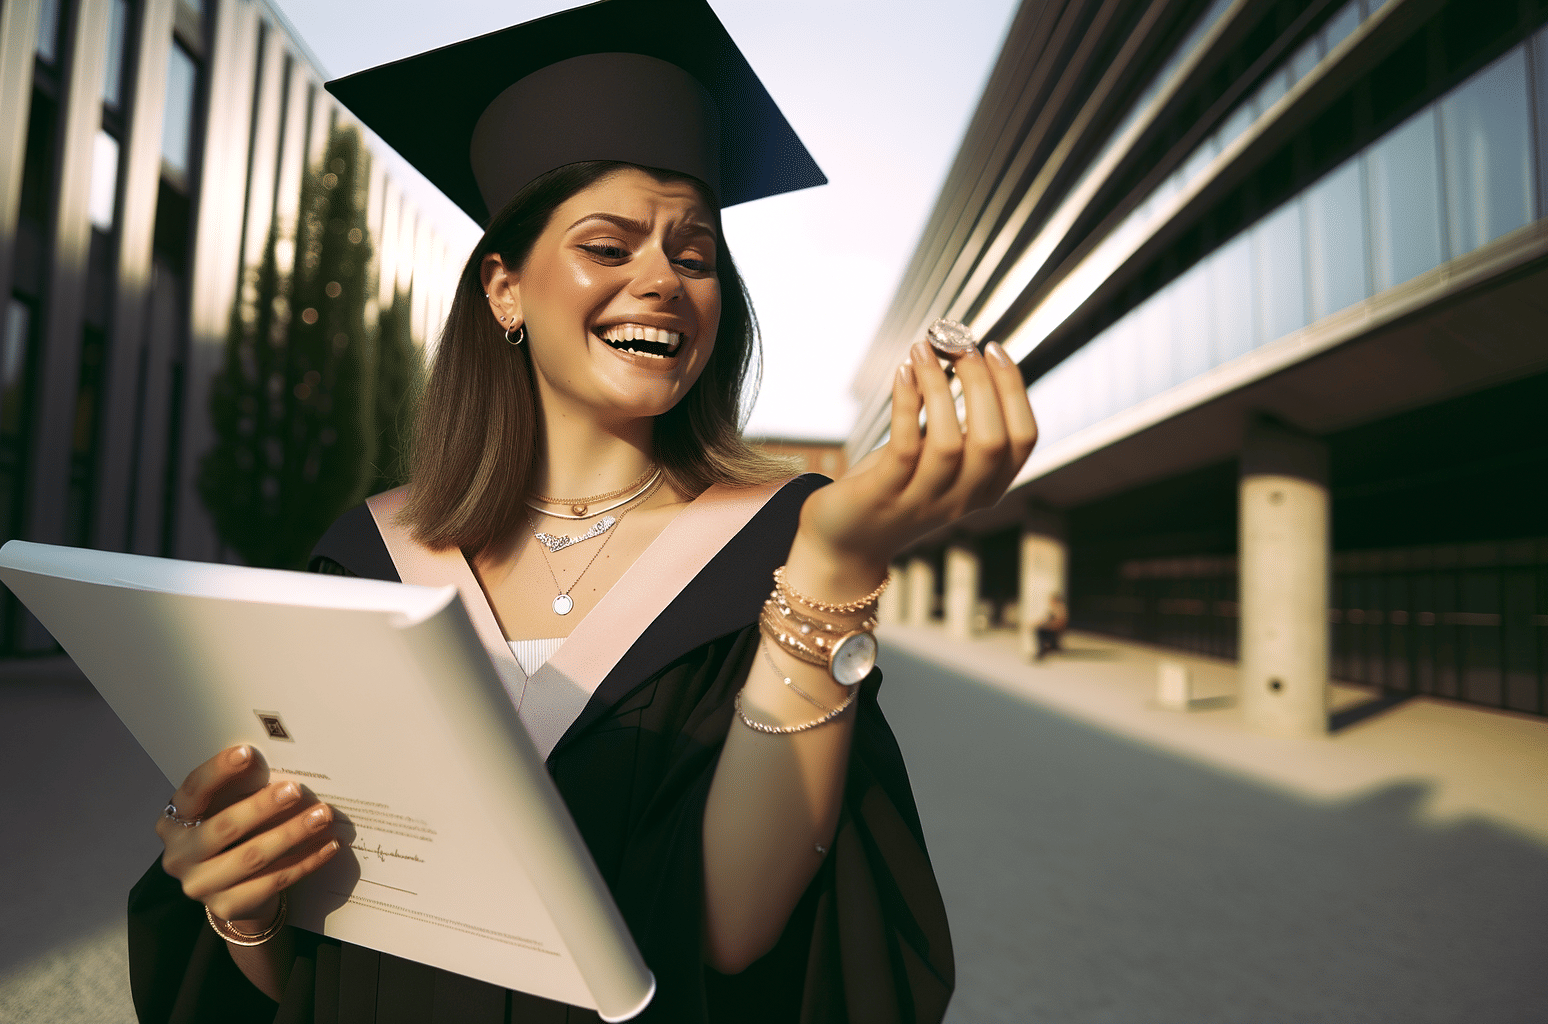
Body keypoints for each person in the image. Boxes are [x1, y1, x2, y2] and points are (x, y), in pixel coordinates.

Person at [126, 2, 1036, 1020]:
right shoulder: (366, 558)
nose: (662, 279)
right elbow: (303, 971)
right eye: (607, 246)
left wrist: (832, 570)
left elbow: (737, 935)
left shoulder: (770, 550)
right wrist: (242, 907)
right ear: (504, 291)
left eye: (694, 257)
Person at [1036, 593, 1069, 660]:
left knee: (1040, 631)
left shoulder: (1059, 608)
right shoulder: (1053, 608)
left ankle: (1042, 650)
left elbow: (1059, 622)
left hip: (1056, 629)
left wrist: (1048, 626)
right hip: (1053, 628)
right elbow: (1047, 620)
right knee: (1039, 629)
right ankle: (1051, 646)